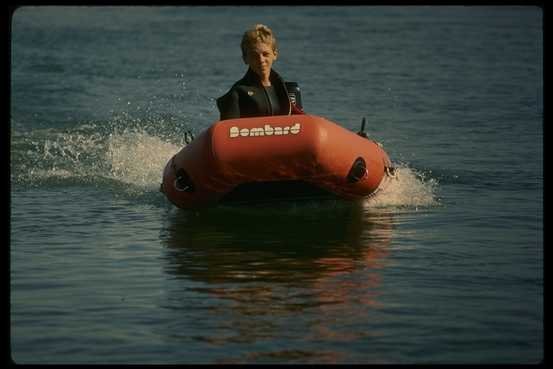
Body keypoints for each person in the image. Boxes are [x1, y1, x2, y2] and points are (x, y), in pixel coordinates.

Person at [216, 24, 304, 121]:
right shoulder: (237, 93)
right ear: (245, 59)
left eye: (265, 54)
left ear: (275, 55)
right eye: (254, 55)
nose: (261, 60)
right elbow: (228, 131)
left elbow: (301, 124)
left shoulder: (288, 90)